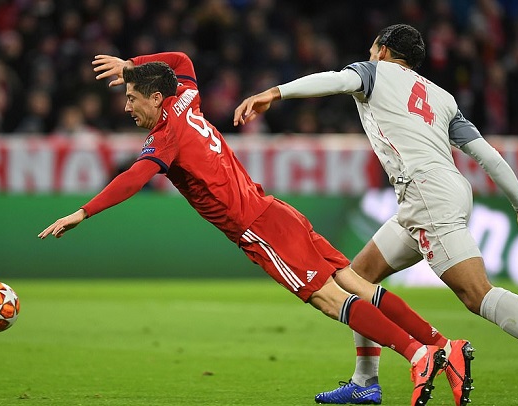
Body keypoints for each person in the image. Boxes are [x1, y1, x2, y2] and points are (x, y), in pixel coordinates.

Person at [38, 51, 474, 406]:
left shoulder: (165, 135)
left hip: (258, 228)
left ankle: (417, 355)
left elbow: (135, 177)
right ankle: (442, 345)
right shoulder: (186, 97)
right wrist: (133, 65)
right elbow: (183, 61)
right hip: (275, 210)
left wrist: (83, 212)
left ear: (155, 98)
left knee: (329, 299)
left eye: (132, 97)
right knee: (355, 283)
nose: (126, 106)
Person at [233, 23, 518, 406]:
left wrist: (274, 92)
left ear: (382, 50)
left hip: (427, 195)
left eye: (371, 50)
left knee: (477, 293)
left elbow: (335, 80)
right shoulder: (442, 98)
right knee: (358, 277)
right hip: (439, 193)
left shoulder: (373, 73)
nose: (368, 57)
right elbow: (487, 155)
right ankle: (365, 381)